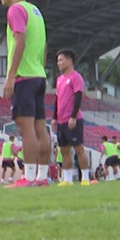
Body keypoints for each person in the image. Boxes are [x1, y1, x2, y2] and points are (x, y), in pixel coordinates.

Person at [0, 0, 50, 188]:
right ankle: (42, 176)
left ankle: (28, 177)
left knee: (25, 128)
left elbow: (20, 41)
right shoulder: (35, 11)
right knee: (40, 129)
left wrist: (11, 76)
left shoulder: (15, 10)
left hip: (24, 77)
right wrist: (40, 68)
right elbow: (44, 45)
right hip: (39, 75)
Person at [53, 48, 91, 186]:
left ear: (69, 60)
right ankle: (67, 179)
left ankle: (85, 178)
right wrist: (54, 117)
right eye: (57, 61)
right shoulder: (59, 80)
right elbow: (57, 99)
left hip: (72, 119)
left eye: (61, 60)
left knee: (79, 148)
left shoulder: (76, 77)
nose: (58, 63)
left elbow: (78, 97)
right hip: (61, 120)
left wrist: (73, 116)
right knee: (64, 150)